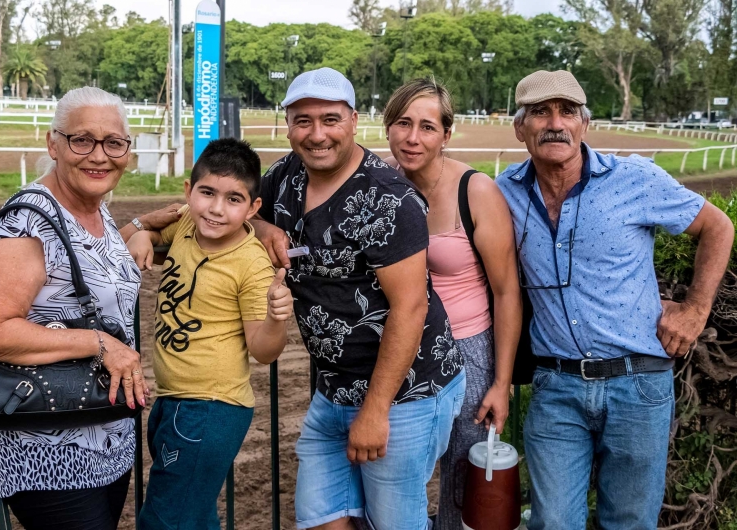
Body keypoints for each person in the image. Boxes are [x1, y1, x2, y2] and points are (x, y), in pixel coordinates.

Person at [496, 70, 735, 529]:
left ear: (584, 123)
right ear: (520, 127)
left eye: (567, 111)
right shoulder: (502, 191)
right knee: (552, 522)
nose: (555, 123)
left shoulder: (635, 179)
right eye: (541, 112)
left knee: (628, 522)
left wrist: (695, 310)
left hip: (638, 384)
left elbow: (717, 227)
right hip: (556, 387)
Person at [252, 67, 466, 530]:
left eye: (330, 120)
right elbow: (231, 207)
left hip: (405, 394)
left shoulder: (388, 199)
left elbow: (411, 307)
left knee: (394, 524)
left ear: (352, 121)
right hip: (332, 392)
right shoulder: (283, 177)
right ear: (287, 124)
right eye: (302, 121)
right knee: (321, 519)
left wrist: (375, 410)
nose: (316, 134)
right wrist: (260, 225)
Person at [0, 86, 180, 530]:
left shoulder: (96, 211)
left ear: (128, 149)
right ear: (53, 144)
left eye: (114, 143)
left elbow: (82, 267)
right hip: (46, 445)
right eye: (82, 140)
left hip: (104, 431)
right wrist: (100, 343)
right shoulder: (26, 222)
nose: (99, 155)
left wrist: (139, 226)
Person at [126, 138, 295, 530]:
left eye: (234, 199)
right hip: (174, 400)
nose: (217, 209)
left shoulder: (252, 266)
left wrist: (275, 318)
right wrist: (143, 235)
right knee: (194, 514)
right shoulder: (186, 222)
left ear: (254, 208)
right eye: (207, 193)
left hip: (209, 408)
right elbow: (148, 236)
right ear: (189, 192)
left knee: (165, 520)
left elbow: (264, 351)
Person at [383, 78, 521, 529]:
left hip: (467, 352)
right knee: (393, 474)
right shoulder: (380, 184)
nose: (413, 137)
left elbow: (506, 292)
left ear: (447, 133)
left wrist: (501, 383)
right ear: (388, 127)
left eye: (427, 126)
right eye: (403, 123)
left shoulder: (475, 191)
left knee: (463, 486)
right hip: (397, 349)